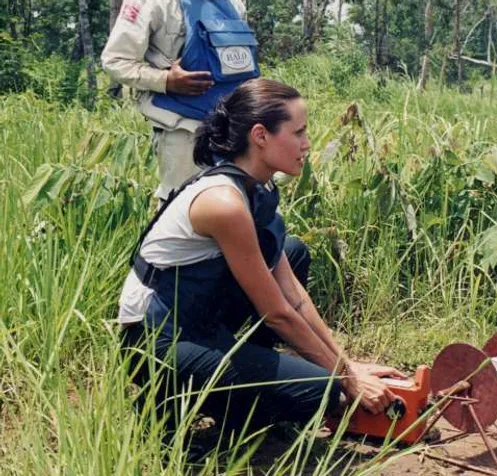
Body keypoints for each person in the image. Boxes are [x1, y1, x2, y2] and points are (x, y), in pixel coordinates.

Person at [119, 78, 405, 454]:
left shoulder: (259, 186)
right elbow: (278, 315)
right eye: (298, 132)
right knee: (321, 391)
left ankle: (241, 395)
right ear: (260, 135)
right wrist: (347, 380)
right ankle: (167, 406)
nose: (307, 144)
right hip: (156, 340)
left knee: (293, 250)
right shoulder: (224, 202)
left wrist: (346, 364)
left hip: (196, 319)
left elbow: (293, 296)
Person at [101, 0, 259, 201]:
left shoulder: (234, 4)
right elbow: (115, 61)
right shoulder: (148, 3)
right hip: (182, 128)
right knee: (182, 204)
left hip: (235, 126)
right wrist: (166, 81)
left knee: (243, 201)